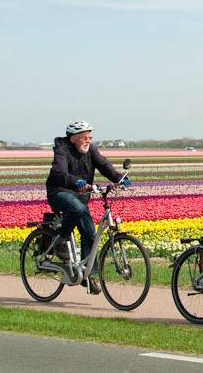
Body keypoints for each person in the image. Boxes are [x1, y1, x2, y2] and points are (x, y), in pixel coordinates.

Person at [45, 120, 130, 295]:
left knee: (91, 233)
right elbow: (59, 172)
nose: (88, 140)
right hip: (59, 192)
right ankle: (61, 239)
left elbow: (104, 165)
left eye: (90, 137)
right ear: (74, 138)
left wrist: (119, 179)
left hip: (80, 197)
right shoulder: (62, 149)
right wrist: (75, 181)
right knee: (76, 208)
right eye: (84, 137)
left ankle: (89, 276)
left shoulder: (90, 150)